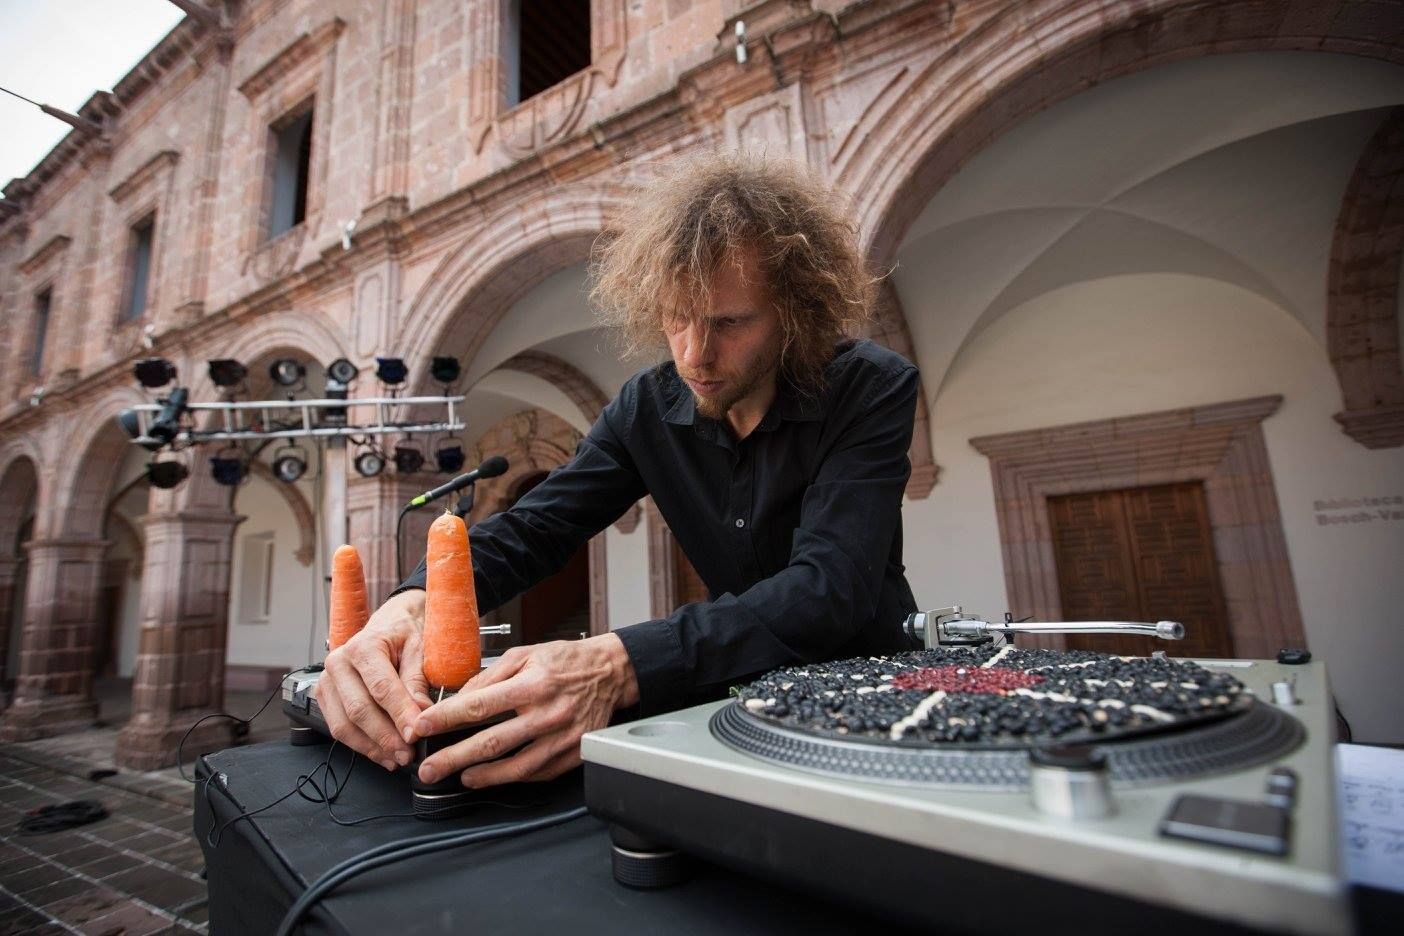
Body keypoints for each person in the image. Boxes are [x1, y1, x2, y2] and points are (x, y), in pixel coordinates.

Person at [318, 153, 921, 789]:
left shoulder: (870, 388)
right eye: (677, 317)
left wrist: (615, 662)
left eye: (729, 323)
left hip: (875, 697)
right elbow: (536, 528)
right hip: (734, 698)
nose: (695, 354)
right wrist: (413, 601)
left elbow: (829, 586)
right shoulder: (645, 408)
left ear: (795, 309)